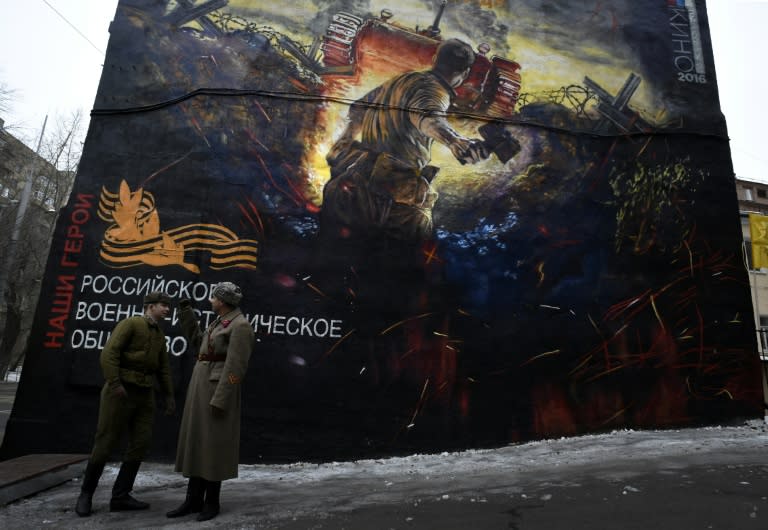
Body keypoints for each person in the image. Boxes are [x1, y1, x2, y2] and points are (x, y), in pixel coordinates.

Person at [321, 38, 489, 242]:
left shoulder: (401, 80)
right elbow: (428, 118)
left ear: (435, 59)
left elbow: (358, 107)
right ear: (464, 74)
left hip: (355, 181)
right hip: (392, 198)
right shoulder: (434, 91)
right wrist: (455, 141)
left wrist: (344, 141)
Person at [75, 291, 175, 517]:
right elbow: (109, 354)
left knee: (141, 443)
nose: (167, 309)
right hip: (120, 392)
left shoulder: (159, 335)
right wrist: (115, 383)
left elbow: (163, 368)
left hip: (144, 394)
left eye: (168, 306)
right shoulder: (130, 324)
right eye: (163, 305)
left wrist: (168, 396)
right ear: (150, 306)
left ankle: (120, 496)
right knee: (105, 442)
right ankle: (86, 494)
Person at [167, 282, 255, 522]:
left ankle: (211, 502)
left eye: (214, 297)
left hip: (216, 391)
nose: (210, 300)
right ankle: (192, 500)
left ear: (223, 301)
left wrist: (222, 397)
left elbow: (237, 366)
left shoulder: (240, 325)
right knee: (198, 442)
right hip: (201, 387)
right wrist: (185, 313)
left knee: (213, 446)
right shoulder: (220, 322)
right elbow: (199, 345)